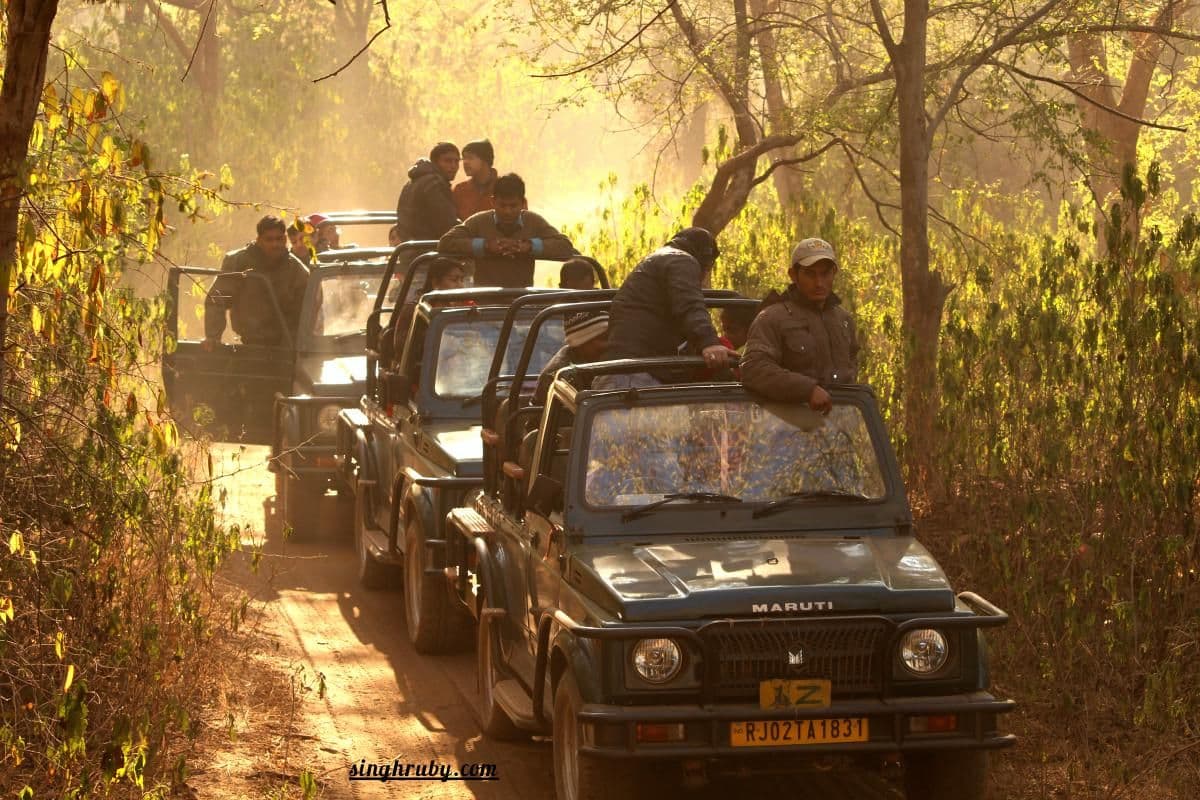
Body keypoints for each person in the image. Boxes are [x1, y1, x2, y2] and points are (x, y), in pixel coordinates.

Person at [599, 227, 736, 387]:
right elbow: (689, 304)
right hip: (634, 375)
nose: (704, 275)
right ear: (705, 260)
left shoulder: (659, 259)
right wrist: (709, 343)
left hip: (626, 370)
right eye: (707, 268)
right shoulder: (682, 261)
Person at [740, 238, 860, 414]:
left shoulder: (843, 319)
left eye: (825, 273)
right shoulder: (772, 318)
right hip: (788, 428)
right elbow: (754, 369)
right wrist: (807, 390)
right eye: (810, 274)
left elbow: (852, 366)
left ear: (834, 273)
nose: (819, 283)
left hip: (839, 426)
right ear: (793, 275)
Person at [438, 173, 575, 287]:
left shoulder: (533, 221)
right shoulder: (479, 221)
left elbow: (565, 246)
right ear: (493, 202)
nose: (507, 211)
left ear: (523, 203)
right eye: (502, 205)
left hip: (521, 302)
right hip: (485, 303)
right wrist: (485, 246)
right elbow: (445, 243)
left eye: (513, 205)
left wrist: (530, 246)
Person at [204, 215, 310, 348]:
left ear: (284, 239)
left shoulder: (296, 270)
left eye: (278, 239)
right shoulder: (239, 262)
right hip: (250, 345)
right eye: (269, 240)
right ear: (259, 240)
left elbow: (309, 310)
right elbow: (217, 298)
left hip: (287, 347)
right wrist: (212, 337)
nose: (275, 244)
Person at [389, 257, 469, 363]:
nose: (461, 286)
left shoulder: (464, 309)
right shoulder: (414, 311)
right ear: (435, 283)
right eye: (454, 280)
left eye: (462, 280)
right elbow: (405, 351)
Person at [534, 311, 609, 405]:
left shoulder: (599, 358)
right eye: (602, 338)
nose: (608, 344)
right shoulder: (560, 376)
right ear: (581, 342)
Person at [395, 142, 461, 242]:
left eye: (456, 161)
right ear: (435, 162)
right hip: (427, 249)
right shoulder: (434, 184)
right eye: (447, 161)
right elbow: (446, 223)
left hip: (409, 249)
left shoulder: (412, 182)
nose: (453, 166)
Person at [453, 139, 498, 220]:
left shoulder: (505, 187)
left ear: (485, 160)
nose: (465, 162)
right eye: (464, 158)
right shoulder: (460, 190)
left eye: (470, 158)